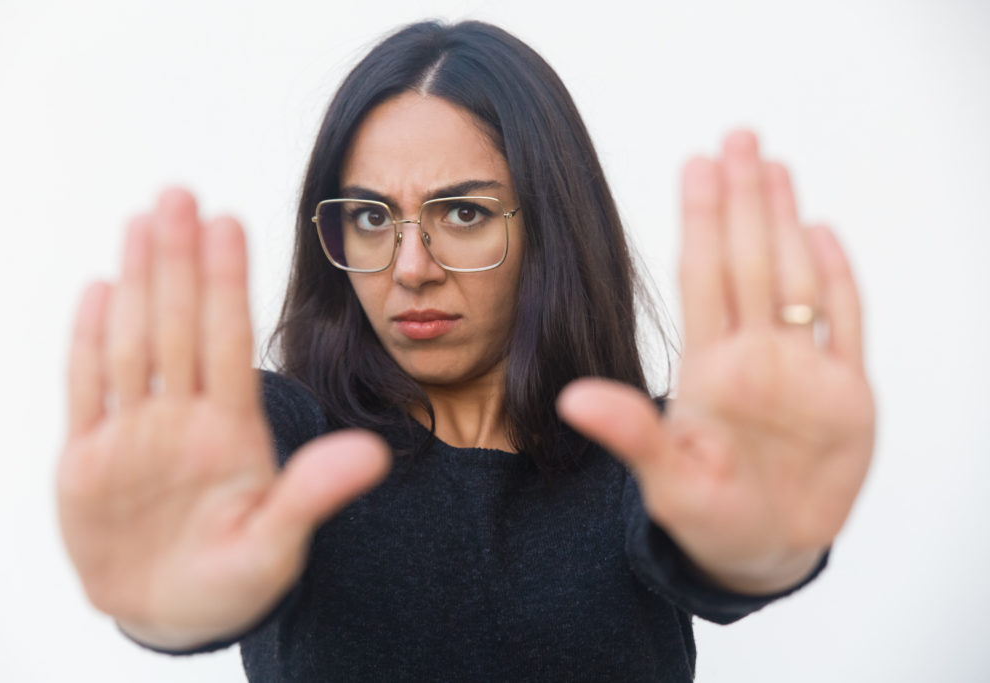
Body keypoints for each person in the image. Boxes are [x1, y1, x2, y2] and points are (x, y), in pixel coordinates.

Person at [57, 20, 875, 682]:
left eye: (464, 213)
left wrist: (757, 551)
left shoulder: (651, 455)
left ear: (548, 230)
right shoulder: (284, 436)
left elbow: (711, 545)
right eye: (373, 218)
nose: (411, 268)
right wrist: (171, 608)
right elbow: (199, 568)